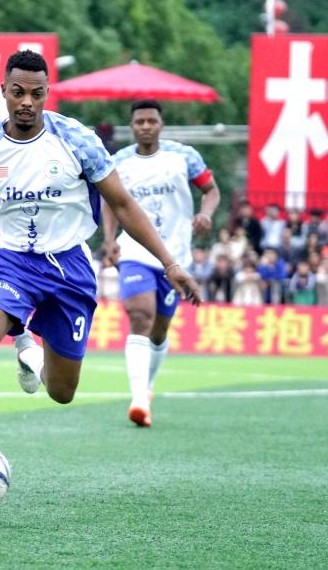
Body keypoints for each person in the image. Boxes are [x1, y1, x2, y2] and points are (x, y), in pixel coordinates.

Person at [0, 52, 201, 493]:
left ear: (47, 93)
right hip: (13, 263)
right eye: (18, 92)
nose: (27, 102)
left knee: (61, 392)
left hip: (71, 267)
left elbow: (124, 205)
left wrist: (171, 263)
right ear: (3, 91)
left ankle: (29, 351)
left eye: (36, 94)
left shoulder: (78, 140)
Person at [102, 99, 220, 427]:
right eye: (139, 122)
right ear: (131, 126)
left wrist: (206, 214)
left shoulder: (184, 157)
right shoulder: (119, 162)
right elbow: (110, 202)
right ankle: (139, 399)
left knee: (158, 331)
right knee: (140, 315)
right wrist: (109, 239)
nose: (145, 126)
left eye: (151, 121)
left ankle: (147, 387)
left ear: (161, 125)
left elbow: (211, 190)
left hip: (175, 255)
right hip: (135, 252)